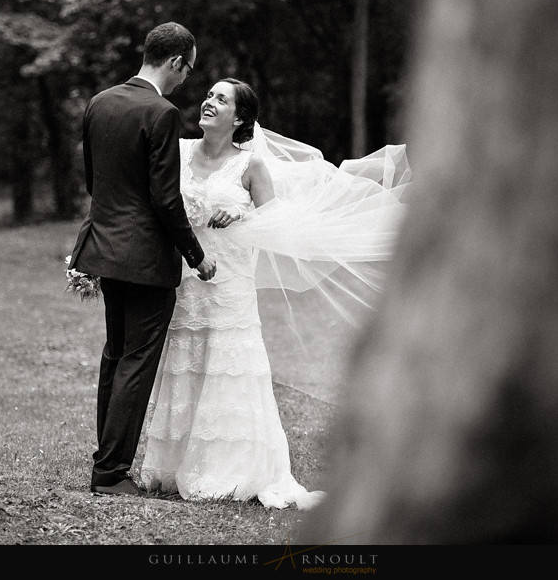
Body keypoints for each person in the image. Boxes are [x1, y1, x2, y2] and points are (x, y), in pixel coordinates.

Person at [132, 78, 411, 509]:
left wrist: (240, 214)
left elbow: (277, 225)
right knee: (186, 360)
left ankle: (228, 471)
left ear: (239, 118)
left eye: (220, 99)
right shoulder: (181, 151)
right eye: (208, 95)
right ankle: (172, 467)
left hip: (229, 283)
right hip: (185, 282)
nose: (208, 102)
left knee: (227, 364)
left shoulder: (252, 166)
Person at [68, 22, 216, 497]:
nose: (185, 80)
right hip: (148, 260)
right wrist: (196, 256)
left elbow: (95, 183)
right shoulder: (162, 112)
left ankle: (106, 463)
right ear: (175, 62)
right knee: (136, 361)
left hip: (106, 252)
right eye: (187, 70)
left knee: (115, 355)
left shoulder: (100, 102)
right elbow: (165, 199)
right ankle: (110, 473)